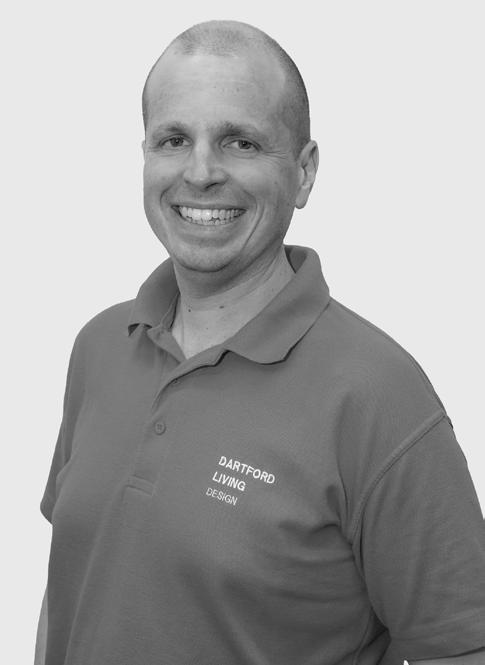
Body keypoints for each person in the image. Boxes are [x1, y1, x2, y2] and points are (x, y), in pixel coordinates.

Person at [36, 19, 485, 665]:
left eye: (240, 142)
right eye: (173, 140)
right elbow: (72, 591)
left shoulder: (378, 395)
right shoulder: (100, 346)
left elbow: (461, 647)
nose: (200, 172)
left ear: (303, 172)